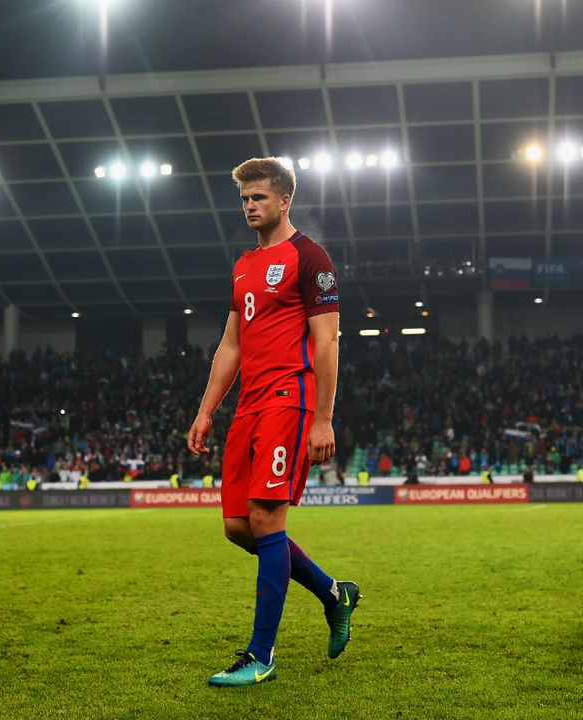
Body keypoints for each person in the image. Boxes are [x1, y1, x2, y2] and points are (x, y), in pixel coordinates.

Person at [187, 157, 359, 687]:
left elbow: (327, 341)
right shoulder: (242, 266)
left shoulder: (311, 258)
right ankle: (335, 593)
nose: (249, 206)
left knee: (266, 520)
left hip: (291, 400)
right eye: (244, 199)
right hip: (250, 405)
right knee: (239, 528)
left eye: (258, 197)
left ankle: (261, 655)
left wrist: (324, 419)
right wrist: (206, 410)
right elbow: (231, 344)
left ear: (284, 200)